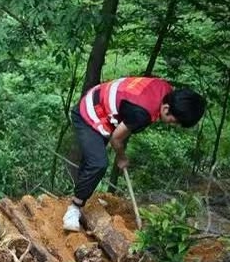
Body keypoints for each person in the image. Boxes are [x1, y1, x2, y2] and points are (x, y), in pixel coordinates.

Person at [63, 76, 206, 231]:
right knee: (98, 163)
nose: (174, 125)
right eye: (174, 121)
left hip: (102, 105)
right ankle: (74, 209)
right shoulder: (142, 113)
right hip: (90, 112)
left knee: (93, 159)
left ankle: (82, 197)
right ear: (166, 109)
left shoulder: (166, 90)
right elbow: (116, 139)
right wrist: (122, 157)